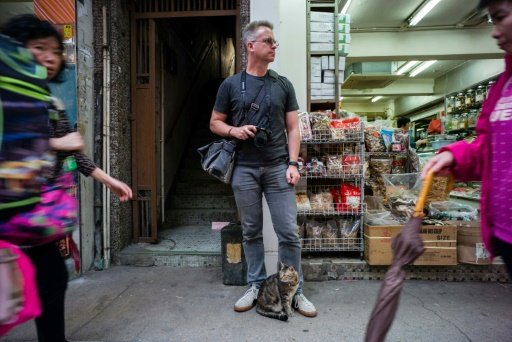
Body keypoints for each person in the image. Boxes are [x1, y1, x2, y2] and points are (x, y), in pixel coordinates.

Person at [2, 14, 132, 342]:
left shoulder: (51, 103)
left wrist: (109, 180)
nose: (48, 56)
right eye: (38, 47)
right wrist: (56, 142)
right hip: (8, 214)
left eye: (54, 51)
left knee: (51, 280)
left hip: (35, 216)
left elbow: (74, 154)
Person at [209, 20, 317, 317]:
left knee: (288, 233)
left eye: (274, 41)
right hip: (244, 169)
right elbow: (215, 122)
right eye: (268, 41)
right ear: (250, 46)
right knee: (251, 231)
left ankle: (294, 290)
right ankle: (256, 285)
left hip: (278, 168)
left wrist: (293, 163)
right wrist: (234, 131)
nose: (274, 46)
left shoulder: (282, 84)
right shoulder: (230, 85)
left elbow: (293, 128)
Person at [422, 0, 512, 279]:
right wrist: (456, 155)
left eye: (500, 17)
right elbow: (493, 149)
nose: (494, 33)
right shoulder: (505, 84)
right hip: (505, 233)